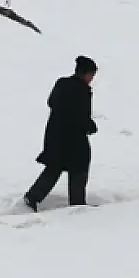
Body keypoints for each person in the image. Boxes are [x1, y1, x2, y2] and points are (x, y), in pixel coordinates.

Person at [23, 56, 98, 211]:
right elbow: (81, 116)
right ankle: (77, 204)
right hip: (74, 137)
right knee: (80, 168)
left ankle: (32, 197)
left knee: (55, 167)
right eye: (91, 75)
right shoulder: (82, 90)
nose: (92, 79)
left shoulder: (62, 83)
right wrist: (91, 126)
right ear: (85, 73)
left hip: (55, 134)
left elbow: (51, 102)